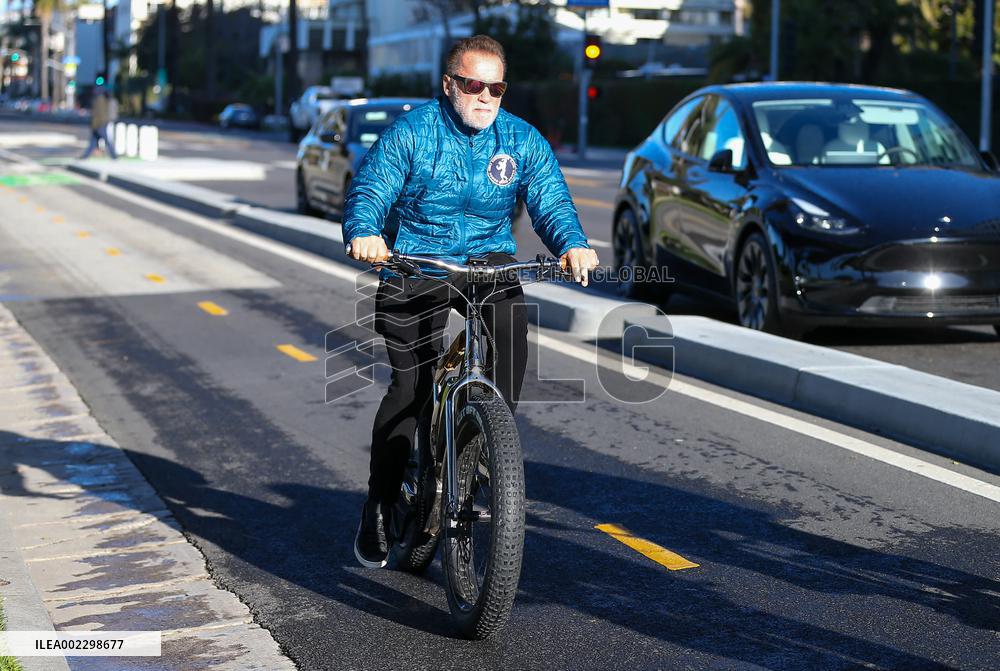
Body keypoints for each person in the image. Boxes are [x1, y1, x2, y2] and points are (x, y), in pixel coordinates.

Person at [344, 35, 600, 568]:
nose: (485, 96)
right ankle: (380, 501)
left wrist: (572, 243)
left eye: (496, 87)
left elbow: (550, 200)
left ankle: (482, 443)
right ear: (449, 84)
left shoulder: (521, 140)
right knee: (410, 386)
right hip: (418, 262)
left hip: (489, 262)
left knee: (511, 341)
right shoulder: (412, 132)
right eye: (473, 84)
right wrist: (366, 231)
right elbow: (372, 187)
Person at [80, 87, 118, 160]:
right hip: (98, 124)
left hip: (99, 124)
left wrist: (96, 124)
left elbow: (100, 114)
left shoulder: (99, 100)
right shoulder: (100, 99)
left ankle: (114, 156)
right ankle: (85, 156)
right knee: (93, 142)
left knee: (106, 141)